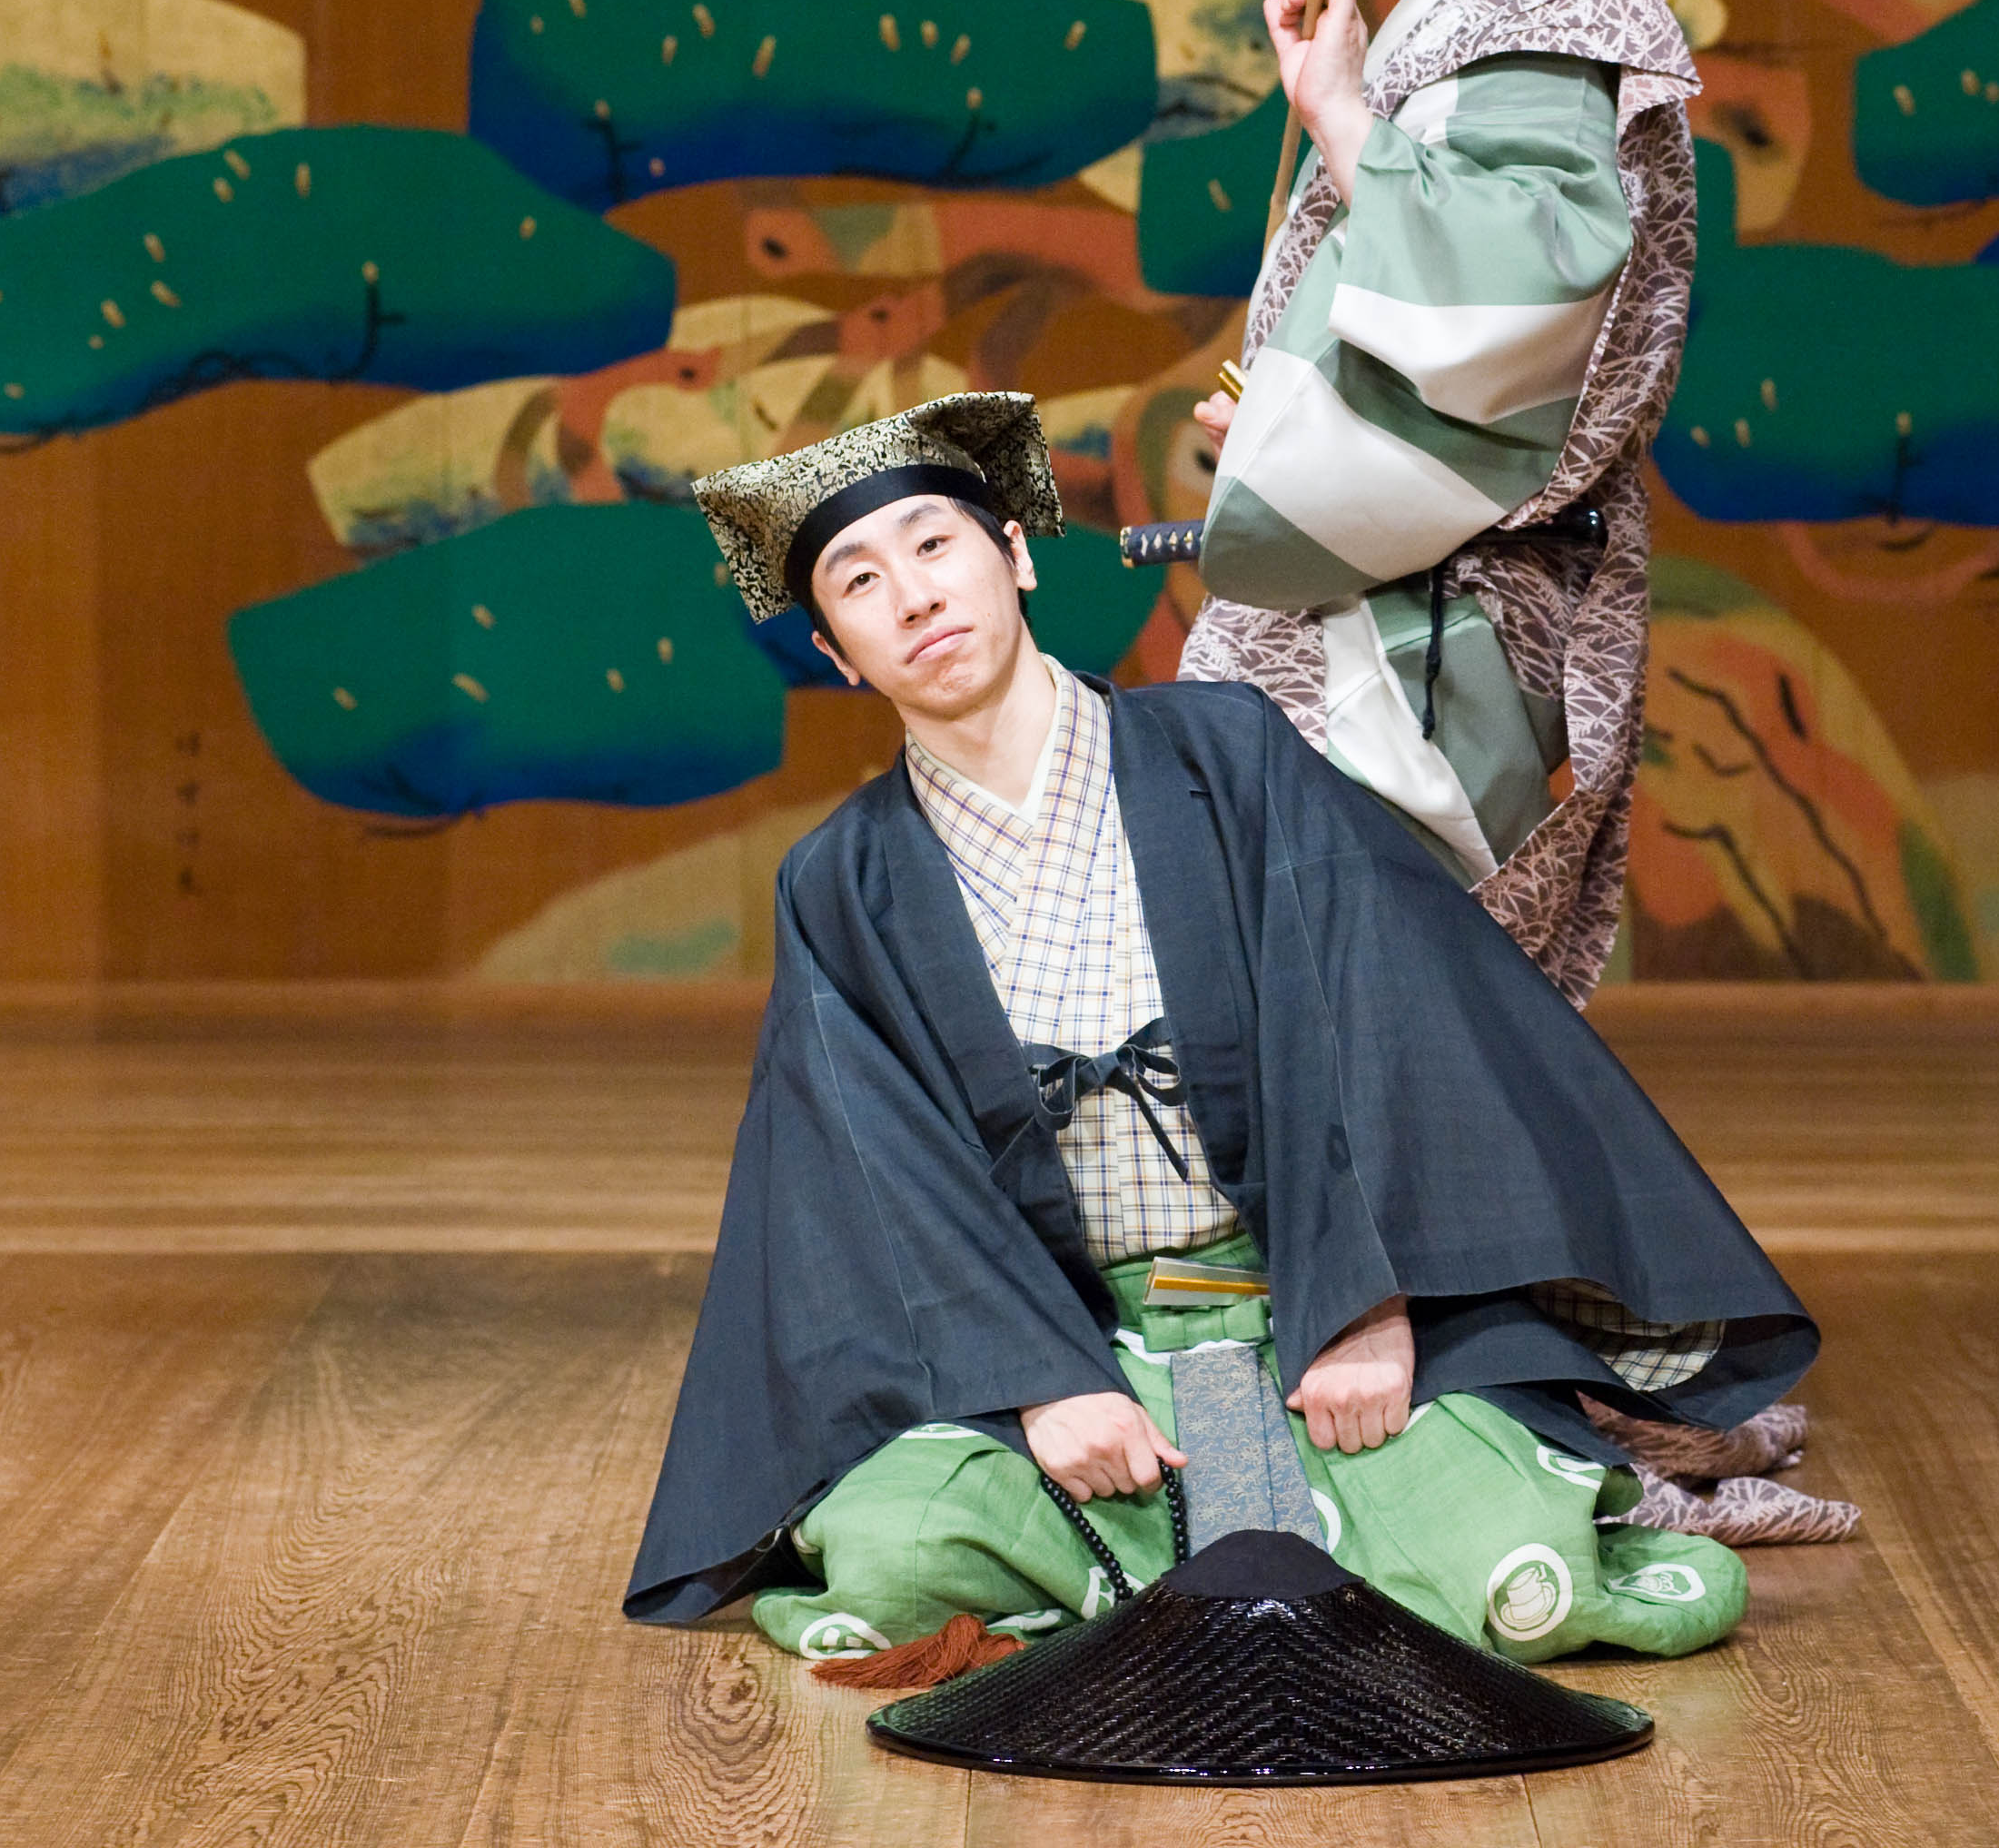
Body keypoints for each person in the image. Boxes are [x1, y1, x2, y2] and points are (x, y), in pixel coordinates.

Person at [628, 391, 1815, 1667]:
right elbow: (873, 1171)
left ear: (1016, 557)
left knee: (1513, 1556)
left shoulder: (1226, 751)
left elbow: (1377, 1012)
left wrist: (1366, 1303)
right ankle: (1223, 1544)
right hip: (1075, 1339)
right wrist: (1039, 1380)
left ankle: (1184, 1572)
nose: (914, 597)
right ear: (838, 653)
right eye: (861, 583)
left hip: (1303, 1310)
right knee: (898, 1550)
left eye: (934, 545)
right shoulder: (842, 880)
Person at [1180, 0, 1704, 999]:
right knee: (1351, 1016)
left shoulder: (1550, 24)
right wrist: (1287, 424)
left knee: (1370, 1014)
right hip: (1411, 590)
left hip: (1424, 620)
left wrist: (1345, 116)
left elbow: (1508, 297)